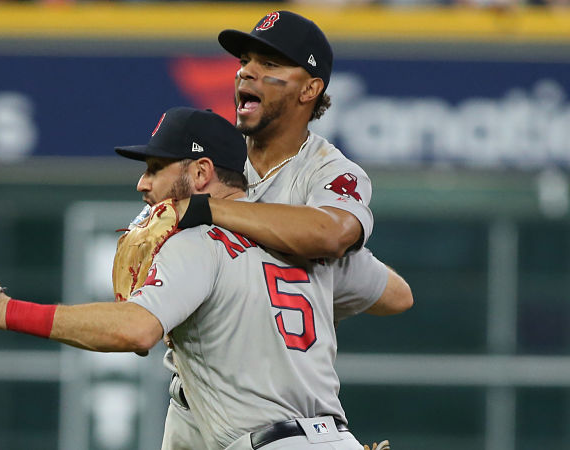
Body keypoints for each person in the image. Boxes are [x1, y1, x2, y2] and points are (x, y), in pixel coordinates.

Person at [0, 107, 405, 449]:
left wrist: (3, 310)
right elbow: (398, 296)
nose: (143, 183)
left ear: (201, 173)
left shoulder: (195, 242)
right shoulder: (303, 241)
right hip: (333, 438)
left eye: (156, 168)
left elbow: (136, 330)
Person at [159, 11, 413, 449]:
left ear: (310, 89)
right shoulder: (214, 157)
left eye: (270, 64)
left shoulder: (326, 172)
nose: (247, 72)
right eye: (246, 61)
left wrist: (212, 211)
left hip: (271, 418)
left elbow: (354, 257)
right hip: (190, 405)